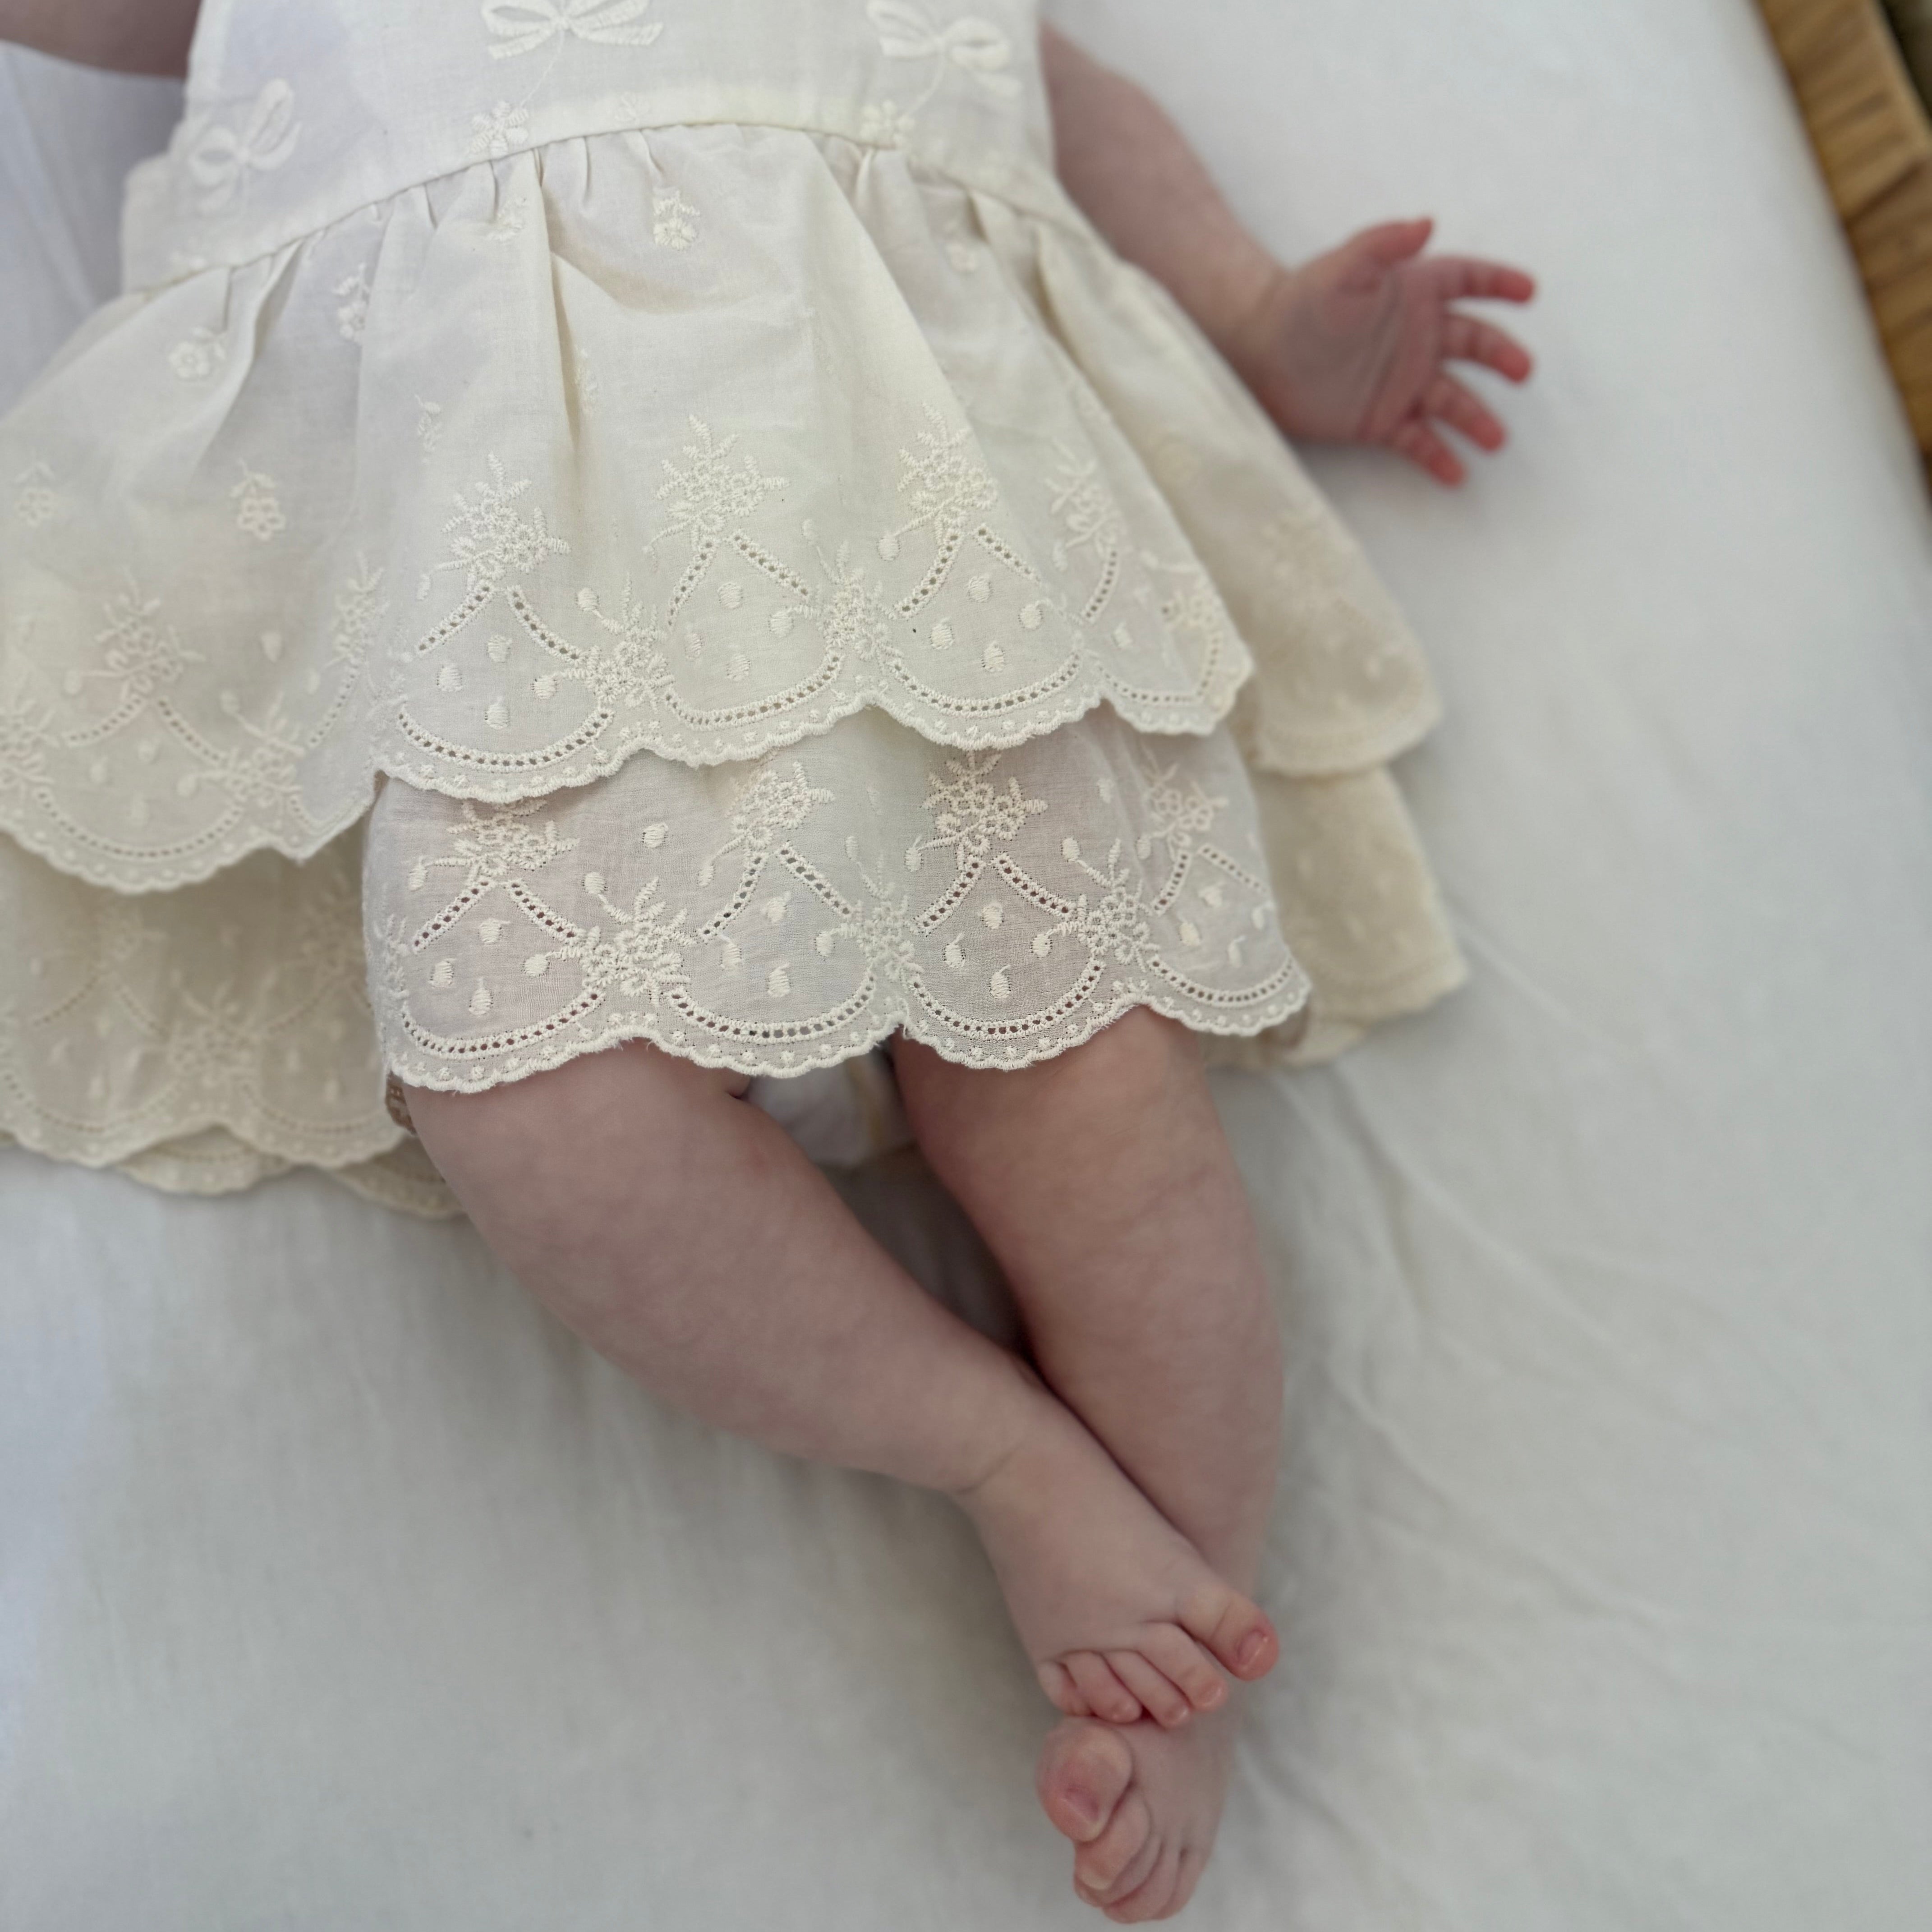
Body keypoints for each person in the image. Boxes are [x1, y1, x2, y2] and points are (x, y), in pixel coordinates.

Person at [0, 2, 1532, 1918]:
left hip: (922, 529)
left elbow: (1058, 91)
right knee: (517, 1089)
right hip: (519, 602)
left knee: (1090, 1086)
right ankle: (998, 1452)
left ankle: (1187, 1602)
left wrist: (1257, 307)